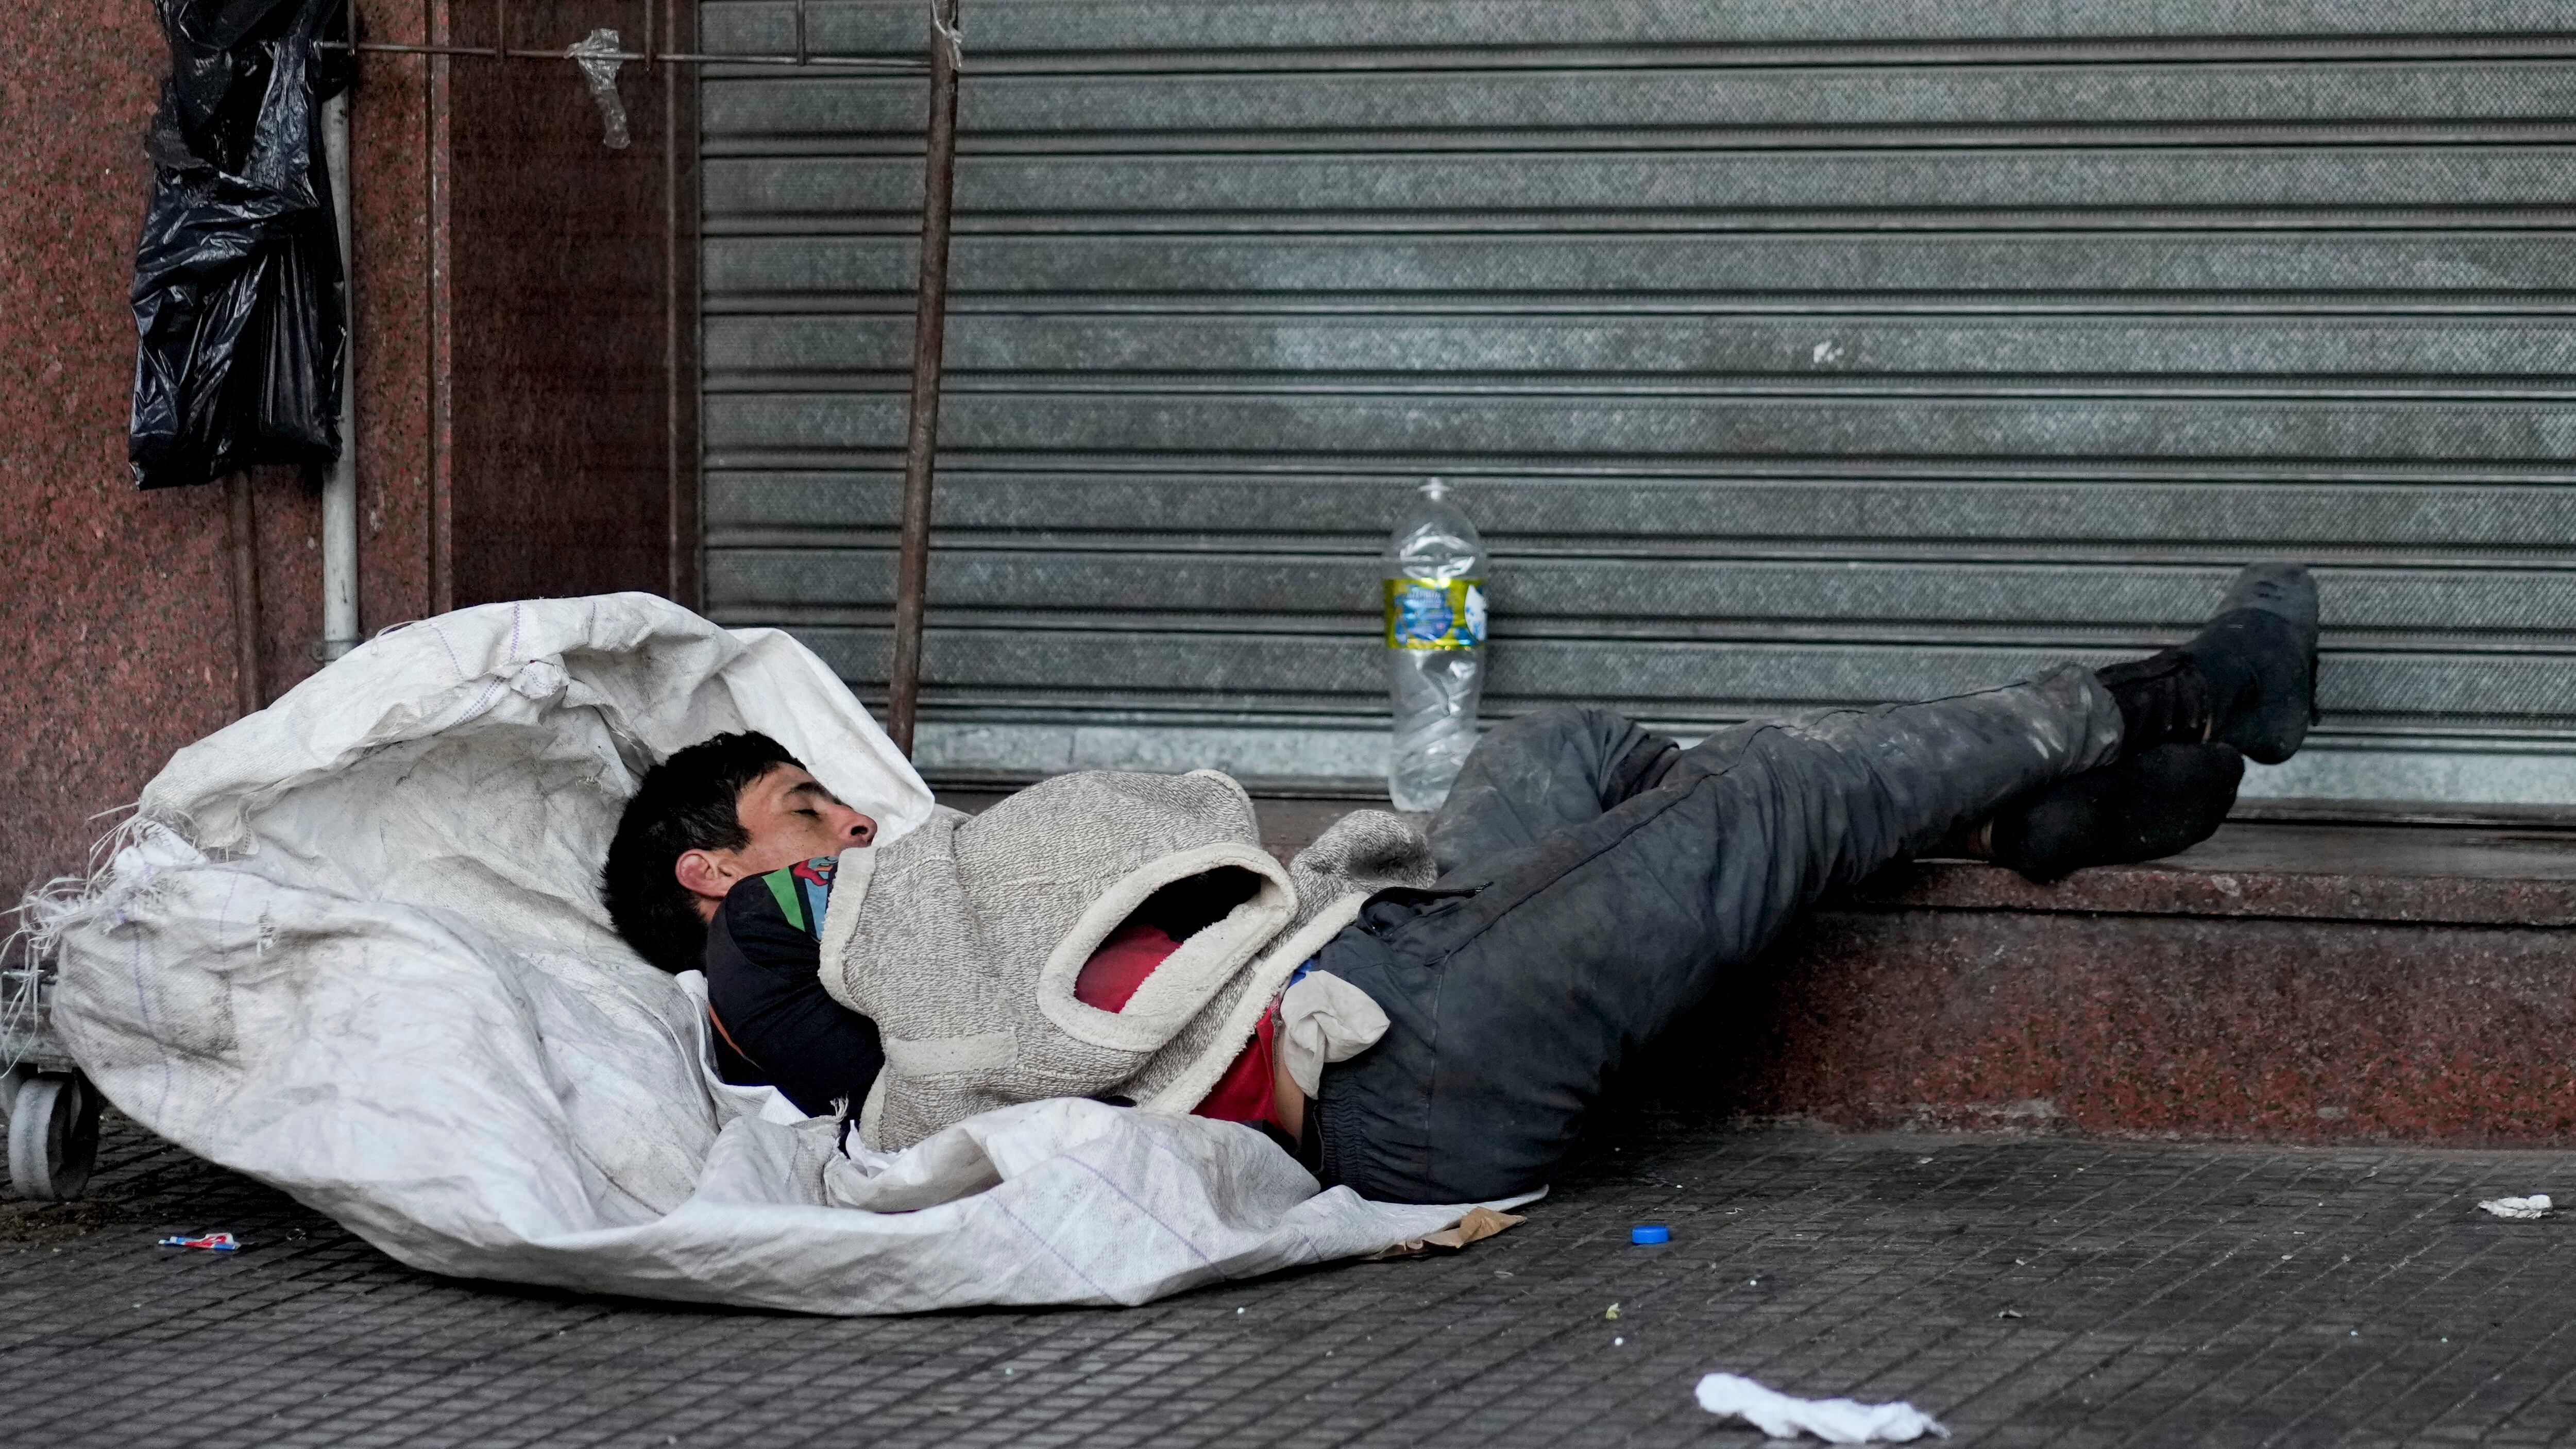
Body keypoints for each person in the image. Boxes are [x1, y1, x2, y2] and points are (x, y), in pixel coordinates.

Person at [601, 564, 2318, 1204]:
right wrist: (844, 886)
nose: (853, 821)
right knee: (1767, 790)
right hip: (1391, 1065)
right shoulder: (763, 973)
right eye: (801, 806)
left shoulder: (854, 914)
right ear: (713, 870)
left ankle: (2006, 818)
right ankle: (2178, 694)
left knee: (1577, 756)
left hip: (1383, 946)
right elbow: (877, 1024)